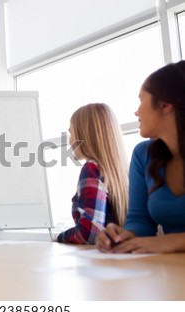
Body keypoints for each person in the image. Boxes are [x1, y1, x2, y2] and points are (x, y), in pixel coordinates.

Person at [97, 61, 185, 253]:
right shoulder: (143, 155)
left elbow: (164, 242)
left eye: (141, 100)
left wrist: (175, 241)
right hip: (170, 272)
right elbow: (140, 222)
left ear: (165, 105)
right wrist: (122, 236)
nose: (136, 111)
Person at [56, 103, 129, 244]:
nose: (69, 140)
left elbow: (89, 233)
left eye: (71, 132)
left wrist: (58, 237)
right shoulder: (122, 171)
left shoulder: (92, 169)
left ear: (85, 134)